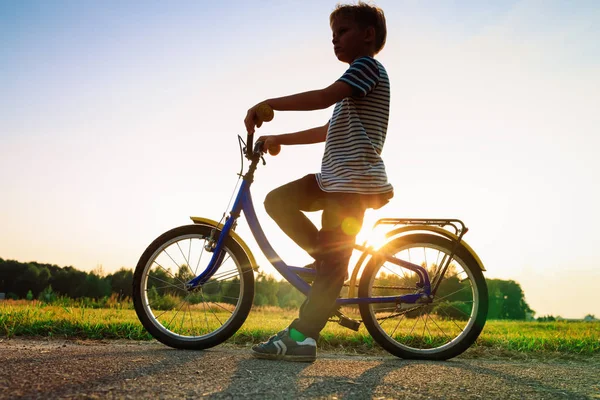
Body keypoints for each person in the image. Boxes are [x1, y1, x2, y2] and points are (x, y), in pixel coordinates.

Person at [244, 1, 393, 362]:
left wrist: (271, 103)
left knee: (333, 263)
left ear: (368, 34)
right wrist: (279, 138)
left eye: (342, 32)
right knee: (277, 200)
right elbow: (327, 130)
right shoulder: (352, 89)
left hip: (353, 185)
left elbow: (323, 97)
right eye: (332, 35)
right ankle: (324, 264)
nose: (335, 40)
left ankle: (303, 336)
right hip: (333, 181)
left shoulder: (366, 68)